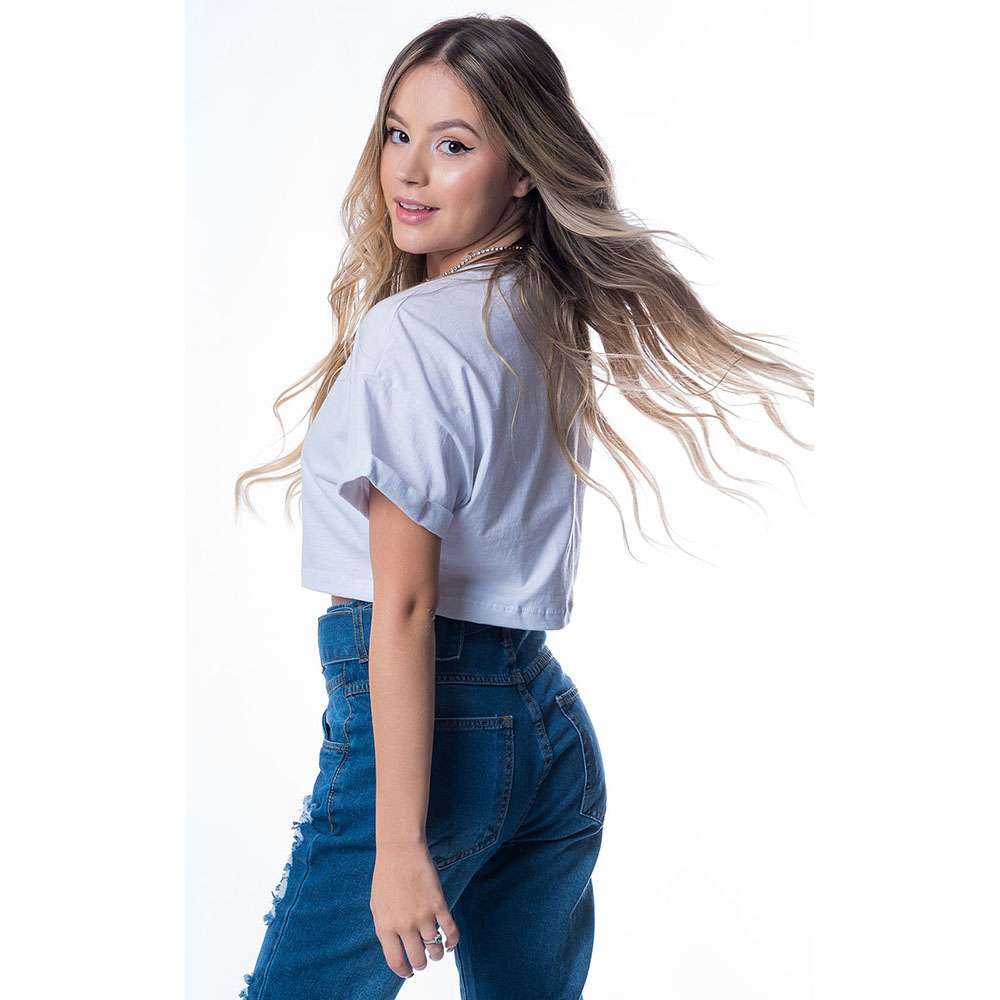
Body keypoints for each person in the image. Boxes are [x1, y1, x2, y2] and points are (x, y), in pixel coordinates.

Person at [232, 14, 813, 1000]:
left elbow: (405, 605)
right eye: (397, 132)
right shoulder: (541, 306)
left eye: (453, 145)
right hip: (546, 731)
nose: (410, 169)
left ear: (522, 171)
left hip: (433, 740)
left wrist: (399, 844)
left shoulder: (414, 335)